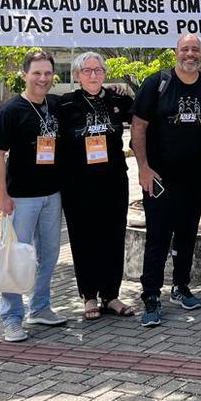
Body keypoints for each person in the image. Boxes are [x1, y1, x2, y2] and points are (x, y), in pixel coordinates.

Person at [131, 34, 201, 326]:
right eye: (185, 49)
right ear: (175, 52)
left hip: (195, 177)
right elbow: (138, 128)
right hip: (159, 177)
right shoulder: (156, 83)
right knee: (158, 236)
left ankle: (181, 286)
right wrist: (143, 167)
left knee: (187, 234)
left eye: (195, 49)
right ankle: (151, 296)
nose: (190, 54)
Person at [0, 50, 67, 342]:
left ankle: (40, 307)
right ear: (24, 74)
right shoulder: (11, 110)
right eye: (36, 73)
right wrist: (2, 195)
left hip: (52, 194)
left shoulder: (55, 105)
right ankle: (11, 317)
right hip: (21, 197)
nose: (42, 78)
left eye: (47, 73)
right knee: (15, 257)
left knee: (48, 255)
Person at [55, 52, 134, 320]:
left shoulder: (117, 100)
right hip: (78, 184)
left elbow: (143, 118)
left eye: (98, 70)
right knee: (84, 238)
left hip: (113, 179)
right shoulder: (65, 104)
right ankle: (89, 296)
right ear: (77, 76)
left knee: (113, 236)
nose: (93, 75)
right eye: (87, 71)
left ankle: (111, 295)